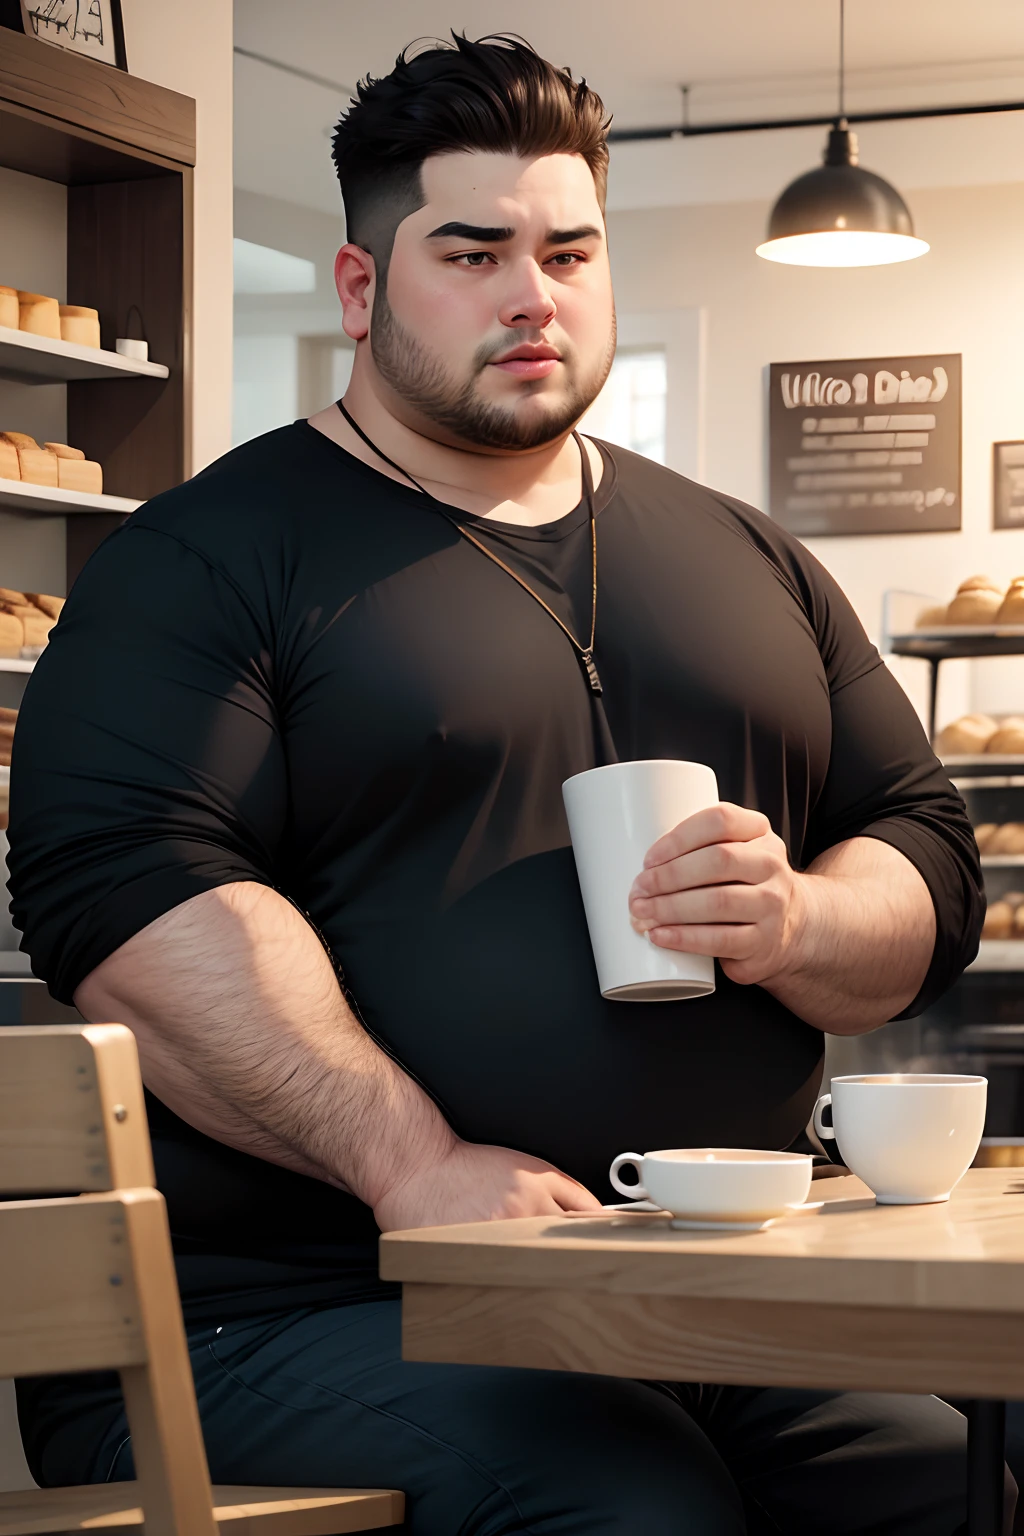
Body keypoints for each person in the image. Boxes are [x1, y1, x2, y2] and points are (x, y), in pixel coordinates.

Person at [8, 31, 1006, 1536]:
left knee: (955, 1483)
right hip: (285, 1312)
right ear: (360, 289)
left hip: (688, 1300)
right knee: (629, 1505)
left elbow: (928, 856)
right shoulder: (204, 559)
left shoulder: (748, 554)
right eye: (471, 252)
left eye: (568, 251)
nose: (532, 295)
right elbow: (130, 894)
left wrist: (799, 919)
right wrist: (414, 1164)